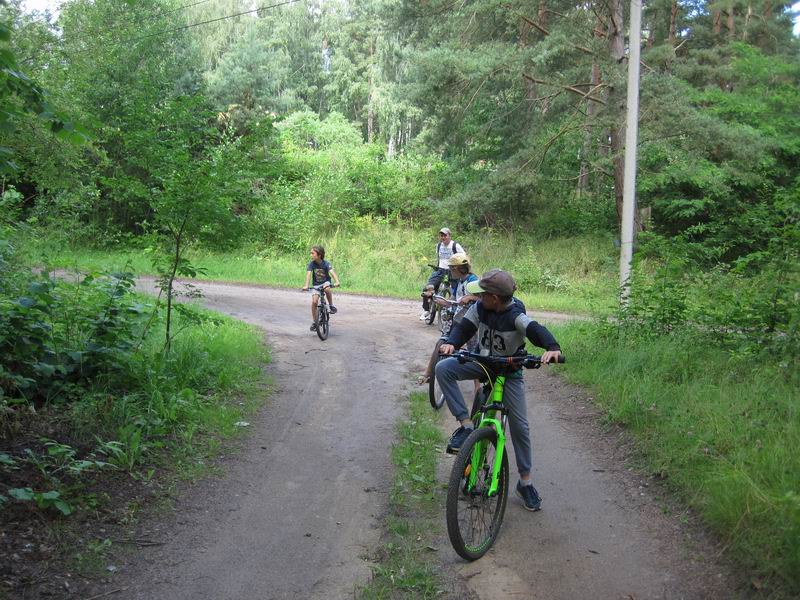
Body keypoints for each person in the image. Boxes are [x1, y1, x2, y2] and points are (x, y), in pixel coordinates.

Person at [434, 269, 562, 512]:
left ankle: (525, 483)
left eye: (483, 294)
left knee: (520, 427)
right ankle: (466, 426)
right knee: (444, 369)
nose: (479, 298)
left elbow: (535, 329)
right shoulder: (481, 308)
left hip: (509, 372)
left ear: (494, 298)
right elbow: (464, 328)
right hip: (483, 363)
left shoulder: (515, 314)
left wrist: (552, 347)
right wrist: (451, 342)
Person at [418, 253, 479, 385]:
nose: (450, 272)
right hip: (458, 319)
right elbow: (452, 300)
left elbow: (483, 298)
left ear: (457, 269)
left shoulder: (473, 280)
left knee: (474, 352)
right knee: (440, 343)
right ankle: (428, 373)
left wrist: (470, 298)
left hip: (471, 321)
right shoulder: (459, 282)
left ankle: (478, 389)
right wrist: (436, 299)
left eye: (451, 269)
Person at [420, 227, 465, 321]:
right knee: (428, 287)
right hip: (440, 270)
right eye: (441, 235)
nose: (443, 237)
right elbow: (440, 259)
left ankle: (454, 311)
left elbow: (464, 257)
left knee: (456, 291)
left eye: (445, 235)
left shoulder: (455, 245)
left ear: (449, 236)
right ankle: (427, 310)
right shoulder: (439, 245)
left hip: (453, 271)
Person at [302, 246, 341, 331]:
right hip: (316, 285)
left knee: (327, 288)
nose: (311, 255)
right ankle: (315, 322)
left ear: (319, 255)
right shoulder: (311, 264)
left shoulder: (326, 263)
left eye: (313, 253)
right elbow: (308, 274)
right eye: (311, 253)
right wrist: (306, 285)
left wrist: (337, 281)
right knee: (314, 302)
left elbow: (332, 272)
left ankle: (330, 306)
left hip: (325, 282)